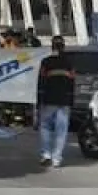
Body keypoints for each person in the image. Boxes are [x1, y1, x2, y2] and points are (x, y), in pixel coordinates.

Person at [36, 35, 75, 168]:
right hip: (64, 101)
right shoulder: (69, 63)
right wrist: (71, 100)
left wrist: (39, 100)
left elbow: (41, 82)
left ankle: (46, 154)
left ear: (52, 46)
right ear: (63, 47)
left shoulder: (46, 62)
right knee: (61, 130)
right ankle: (56, 158)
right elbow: (72, 83)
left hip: (49, 100)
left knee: (45, 126)